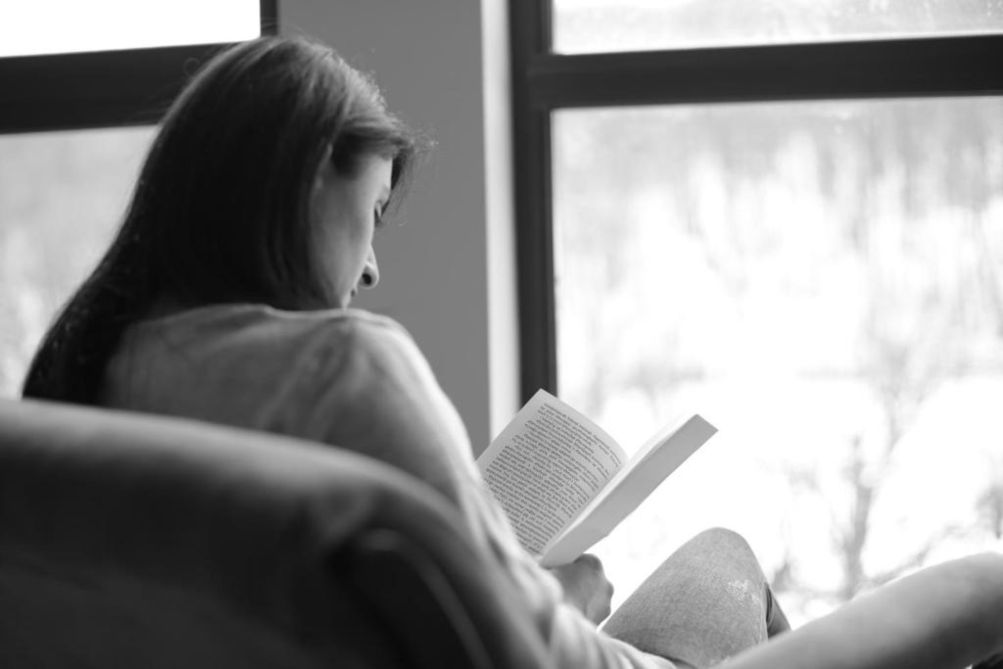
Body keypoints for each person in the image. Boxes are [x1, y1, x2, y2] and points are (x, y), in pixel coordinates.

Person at [21, 35, 1003, 669]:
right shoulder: (340, 368)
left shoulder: (85, 380)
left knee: (719, 558)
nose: (371, 270)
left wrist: (510, 588)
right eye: (373, 214)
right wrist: (553, 600)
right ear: (308, 174)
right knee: (978, 582)